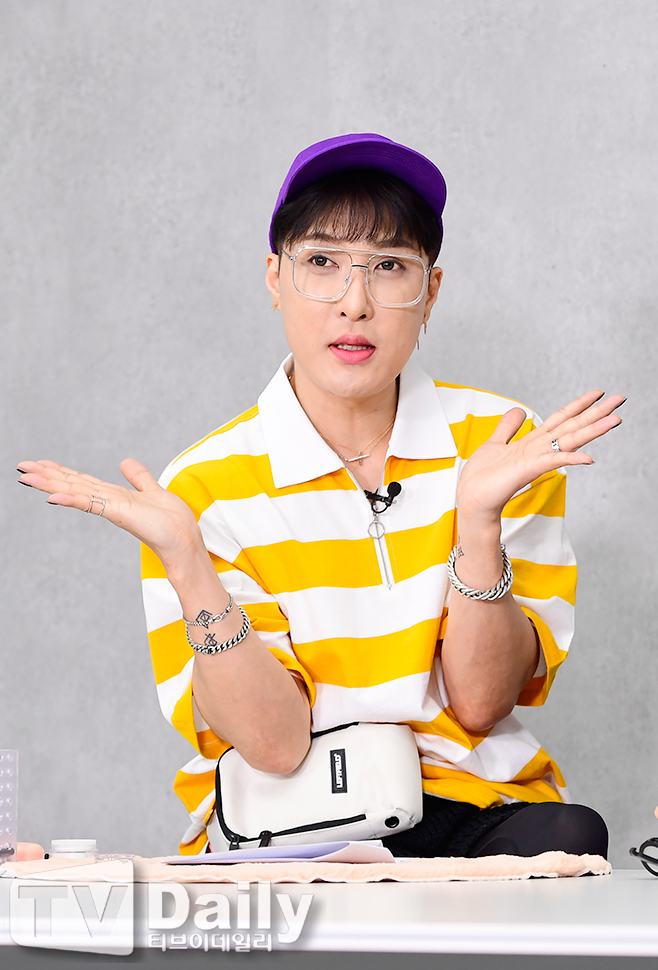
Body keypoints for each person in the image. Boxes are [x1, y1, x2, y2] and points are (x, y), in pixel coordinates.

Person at [18, 133, 621, 859]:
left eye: (389, 267)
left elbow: (481, 704)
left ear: (430, 292)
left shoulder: (503, 445)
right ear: (275, 278)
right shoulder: (202, 485)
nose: (354, 304)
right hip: (290, 819)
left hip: (468, 805)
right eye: (322, 263)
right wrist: (188, 562)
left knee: (567, 838)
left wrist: (479, 523)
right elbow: (274, 745)